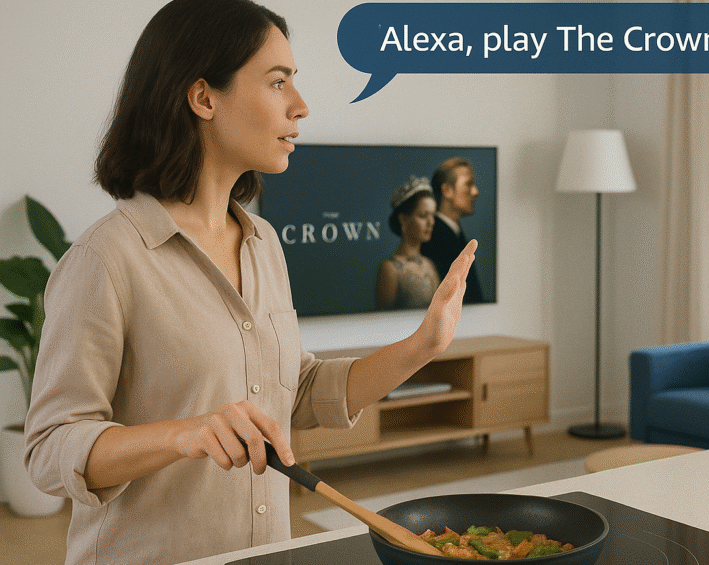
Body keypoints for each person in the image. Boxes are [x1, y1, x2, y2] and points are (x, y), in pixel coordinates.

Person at [21, 1, 476, 563]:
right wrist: (180, 435)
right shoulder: (106, 259)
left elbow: (297, 392)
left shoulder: (263, 243)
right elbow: (47, 452)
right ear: (204, 97)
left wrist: (424, 346)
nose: (301, 106)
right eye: (277, 82)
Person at [422, 157, 485, 304]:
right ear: (447, 190)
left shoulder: (454, 234)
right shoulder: (435, 239)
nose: (475, 192)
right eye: (469, 184)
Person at [375, 176, 441, 310]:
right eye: (423, 215)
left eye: (433, 216)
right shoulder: (390, 269)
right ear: (403, 219)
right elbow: (382, 322)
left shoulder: (429, 264)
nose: (431, 223)